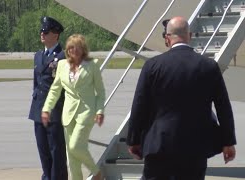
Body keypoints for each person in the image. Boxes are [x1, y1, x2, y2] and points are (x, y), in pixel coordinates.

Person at [126, 16, 237, 180]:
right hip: (195, 147)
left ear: (167, 38)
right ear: (190, 36)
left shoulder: (152, 66)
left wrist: (133, 140)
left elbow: (139, 106)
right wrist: (228, 141)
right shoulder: (208, 66)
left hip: (158, 145)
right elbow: (223, 107)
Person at [42, 34, 105, 180]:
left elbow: (100, 92)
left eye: (77, 47)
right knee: (72, 159)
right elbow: (55, 89)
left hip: (86, 112)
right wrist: (47, 108)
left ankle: (97, 173)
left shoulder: (92, 65)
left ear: (83, 49)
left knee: (75, 146)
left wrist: (100, 110)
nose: (73, 50)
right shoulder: (62, 65)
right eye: (70, 47)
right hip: (68, 114)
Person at [28, 16, 67, 180]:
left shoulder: (64, 57)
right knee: (43, 152)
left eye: (46, 31)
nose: (42, 34)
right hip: (38, 111)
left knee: (56, 154)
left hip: (54, 113)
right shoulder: (38, 56)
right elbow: (36, 84)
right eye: (41, 31)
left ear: (56, 35)